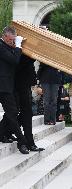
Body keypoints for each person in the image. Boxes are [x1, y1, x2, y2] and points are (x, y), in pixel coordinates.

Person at [0, 26, 30, 154]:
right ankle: (22, 142)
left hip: (7, 86)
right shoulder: (0, 46)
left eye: (14, 40)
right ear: (4, 36)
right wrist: (18, 45)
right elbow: (14, 60)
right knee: (12, 113)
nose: (12, 42)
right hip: (3, 86)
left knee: (12, 112)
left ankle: (1, 134)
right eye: (11, 39)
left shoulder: (6, 45)